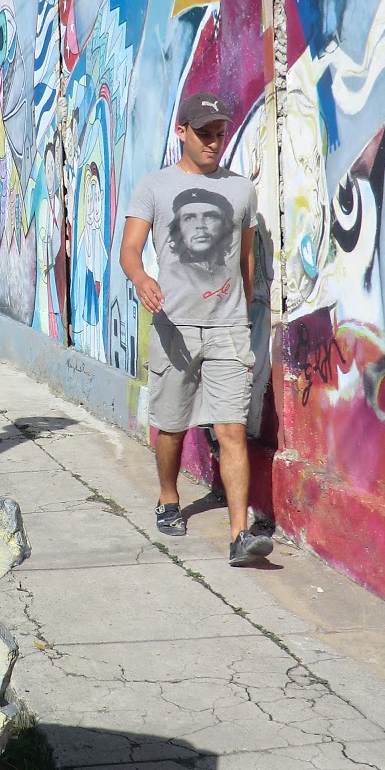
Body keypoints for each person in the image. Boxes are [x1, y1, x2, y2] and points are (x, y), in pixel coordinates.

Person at [119, 91, 273, 566]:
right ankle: (168, 497)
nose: (213, 143)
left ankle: (239, 534)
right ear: (181, 132)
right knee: (171, 425)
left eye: (219, 134)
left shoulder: (241, 190)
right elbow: (129, 249)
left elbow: (246, 258)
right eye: (203, 133)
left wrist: (244, 316)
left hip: (228, 328)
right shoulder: (154, 187)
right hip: (174, 328)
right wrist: (142, 278)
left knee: (231, 429)